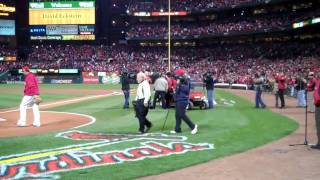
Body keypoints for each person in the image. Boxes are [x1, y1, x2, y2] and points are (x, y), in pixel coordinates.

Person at [171, 69, 198, 134]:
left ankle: (193, 126)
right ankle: (177, 129)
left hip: (183, 100)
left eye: (177, 74)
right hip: (178, 100)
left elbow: (186, 90)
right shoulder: (180, 81)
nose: (176, 76)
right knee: (177, 115)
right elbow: (177, 91)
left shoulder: (186, 81)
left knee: (182, 115)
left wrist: (179, 84)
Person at [311, 72, 320, 149]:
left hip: (319, 105)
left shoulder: (318, 81)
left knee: (318, 124)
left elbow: (318, 96)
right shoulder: (317, 81)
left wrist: (317, 103)